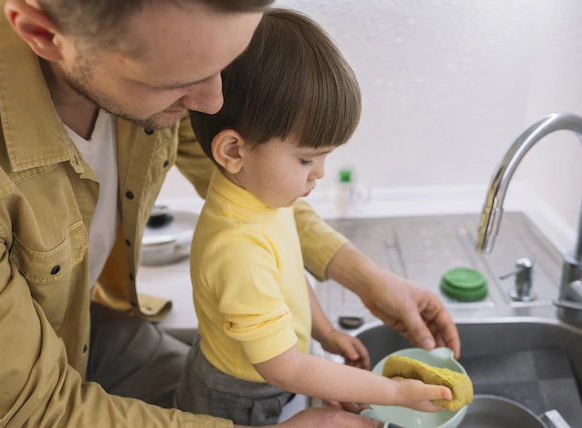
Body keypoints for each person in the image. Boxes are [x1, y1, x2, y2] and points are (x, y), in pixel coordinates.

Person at [0, 0, 459, 427]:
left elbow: (247, 184)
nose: (212, 104)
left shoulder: (152, 54)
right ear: (43, 34)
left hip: (92, 331)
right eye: (180, 82)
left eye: (225, 62)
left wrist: (360, 274)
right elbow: (25, 409)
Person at [175, 9, 453, 426]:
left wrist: (325, 333)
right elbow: (285, 368)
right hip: (240, 399)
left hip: (271, 371)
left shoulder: (261, 198)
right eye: (306, 158)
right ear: (234, 151)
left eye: (325, 157)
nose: (320, 173)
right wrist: (394, 393)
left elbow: (289, 279)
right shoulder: (237, 246)